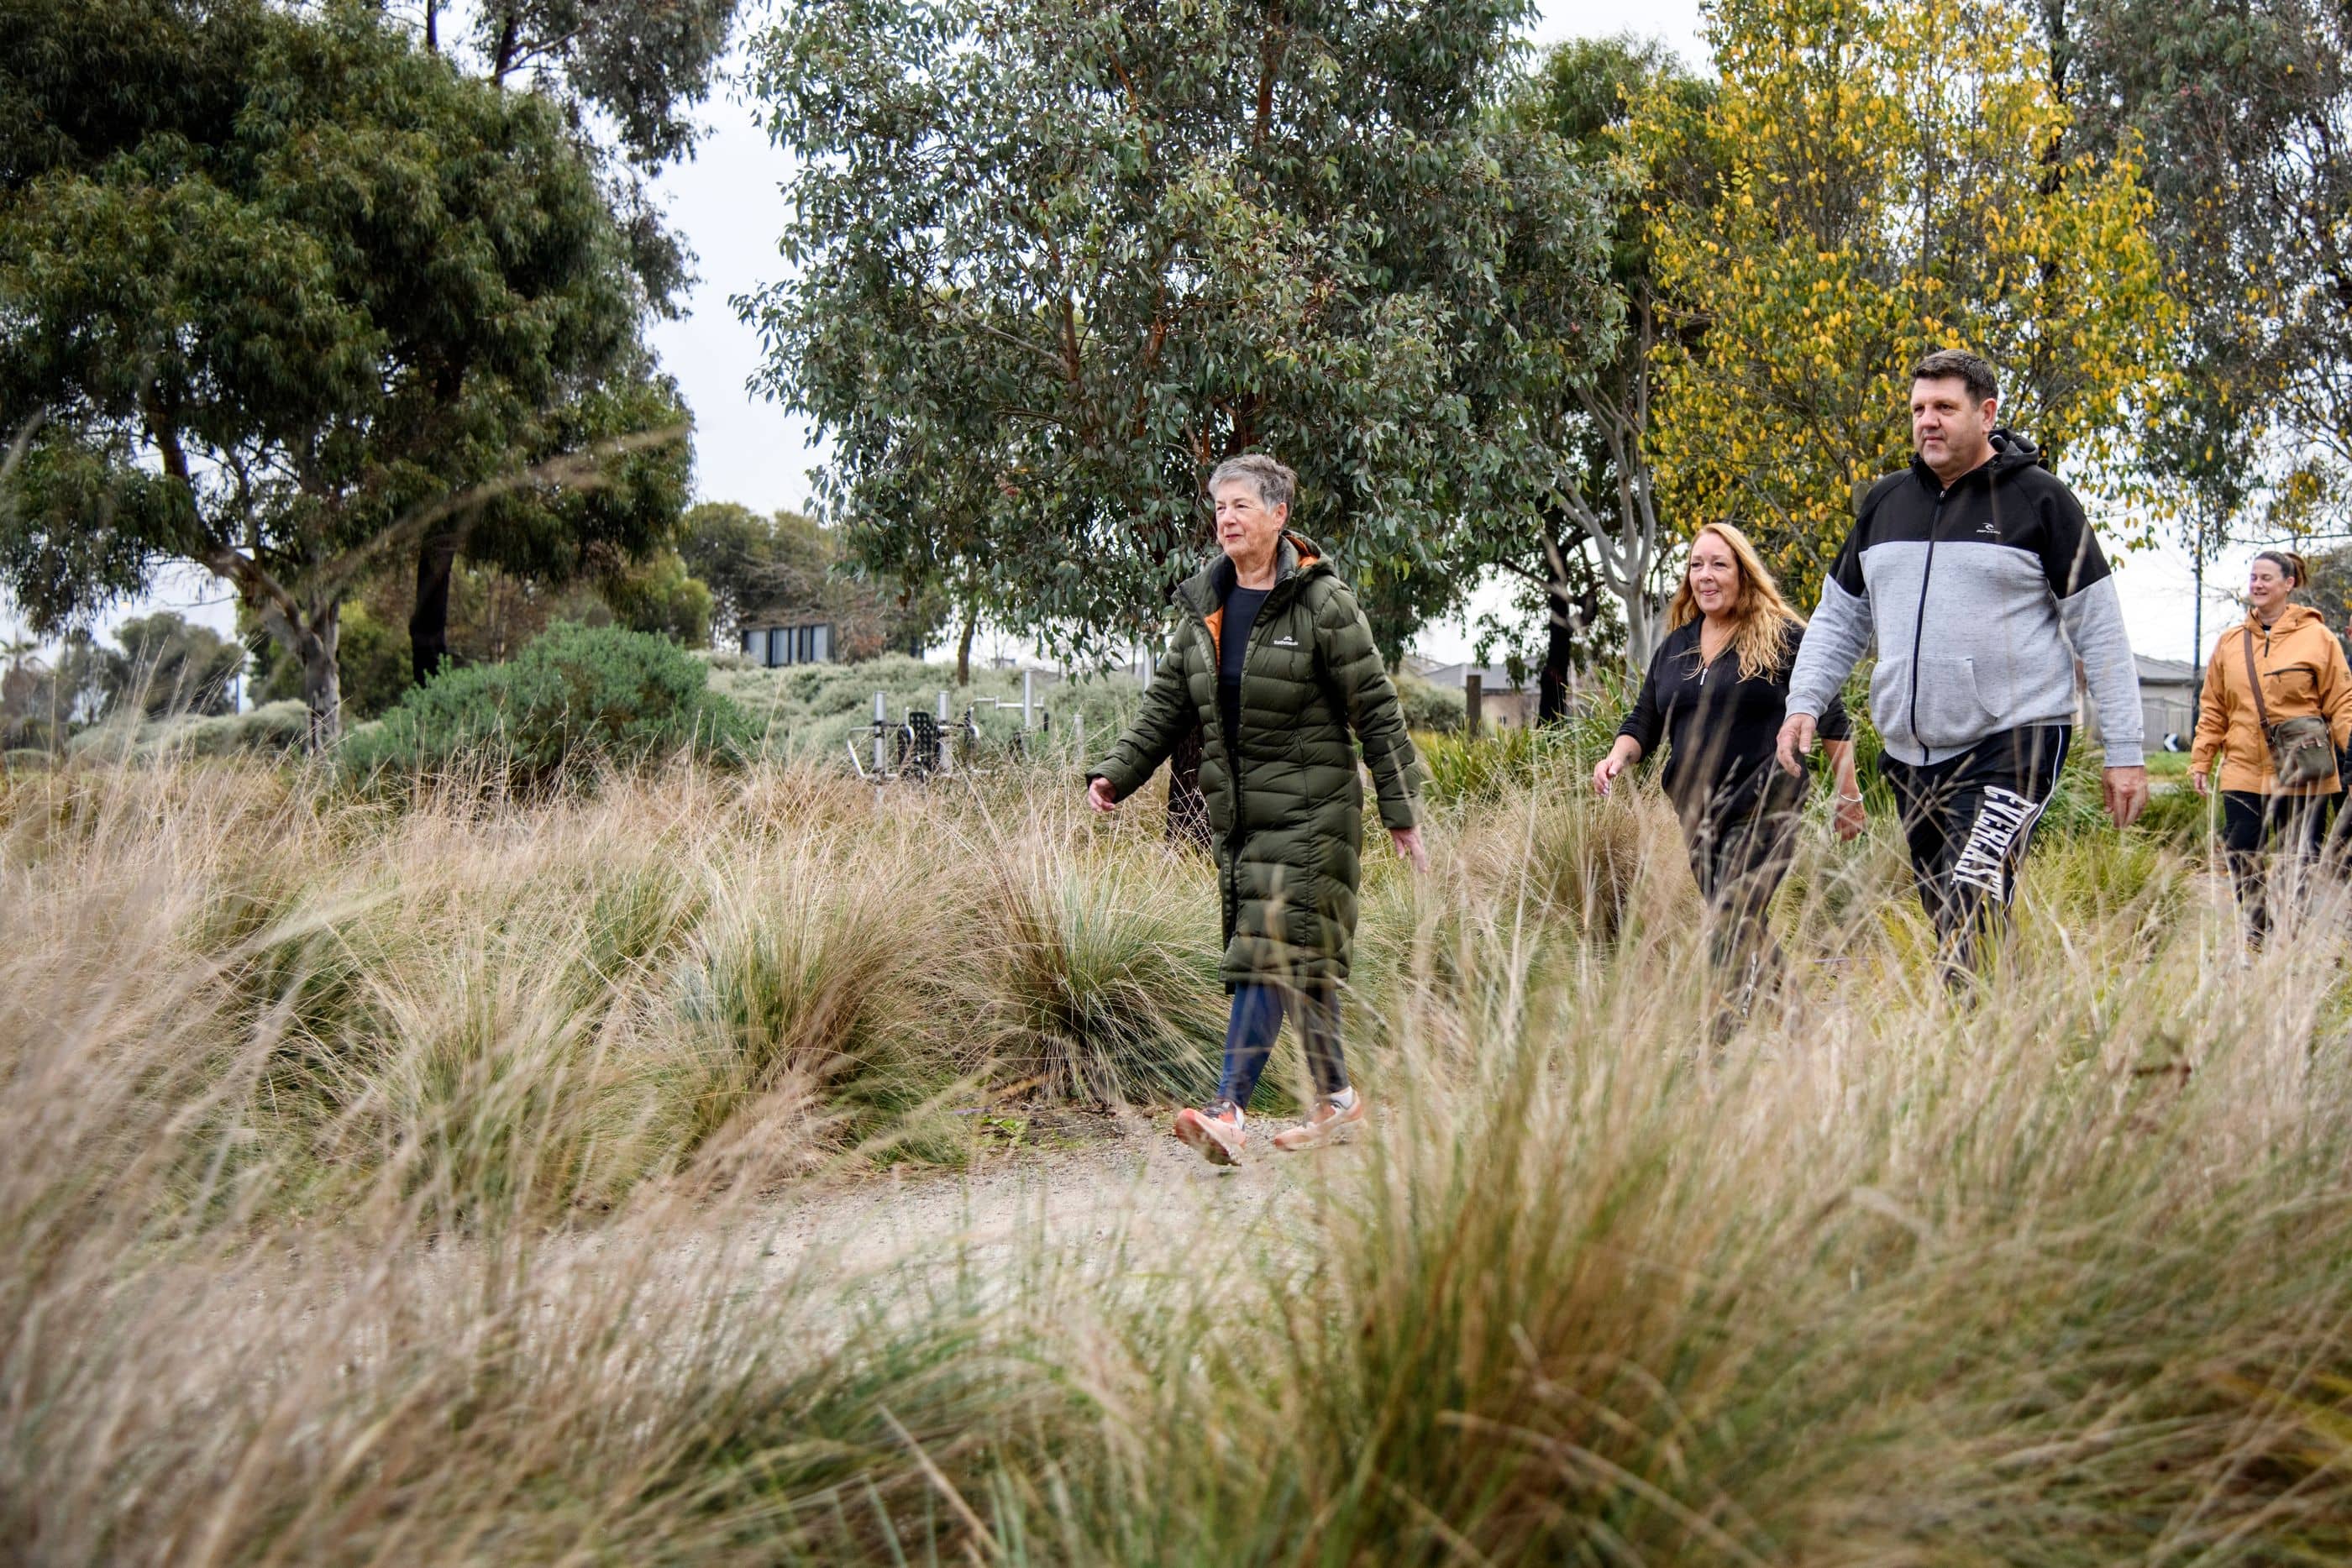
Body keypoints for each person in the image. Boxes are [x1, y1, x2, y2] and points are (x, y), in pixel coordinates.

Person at [1087, 454, 1426, 1166]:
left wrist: (1401, 811)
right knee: (1299, 965)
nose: (1227, 518)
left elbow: (1378, 710)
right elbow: (1165, 707)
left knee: (1265, 953)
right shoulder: (1206, 607)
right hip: (1241, 822)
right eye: (1219, 507)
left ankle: (1228, 1110)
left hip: (1315, 814)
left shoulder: (1321, 604)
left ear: (1279, 515)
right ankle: (1339, 1103)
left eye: (1242, 505)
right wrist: (1117, 774)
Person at [1775, 348, 2148, 986]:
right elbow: (1839, 617)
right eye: (1919, 408)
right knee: (1948, 905)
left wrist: (2126, 749)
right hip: (1913, 751)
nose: (1929, 421)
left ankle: (1973, 1051)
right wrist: (1803, 701)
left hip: (2017, 737)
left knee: (1974, 887)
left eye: (1945, 407)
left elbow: (2101, 631)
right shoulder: (1884, 504)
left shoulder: (2041, 501)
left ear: (1986, 412)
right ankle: (2011, 1016)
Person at [1593, 523, 1866, 1022]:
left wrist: (1848, 794)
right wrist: (1618, 755)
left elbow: (1831, 716)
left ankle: (1717, 1043)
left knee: (1731, 917)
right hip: (1696, 813)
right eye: (1697, 565)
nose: (1706, 575)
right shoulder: (1675, 647)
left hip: (1768, 806)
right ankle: (1799, 1023)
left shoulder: (1784, 637)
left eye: (1719, 564)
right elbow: (1644, 720)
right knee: (1740, 922)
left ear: (1743, 571)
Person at [2189, 549, 2352, 947]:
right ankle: (2260, 929)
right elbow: (2213, 707)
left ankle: (2292, 937)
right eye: (2253, 578)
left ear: (2288, 584)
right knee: (2239, 850)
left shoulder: (2317, 638)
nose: (2257, 585)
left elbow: (2342, 703)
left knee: (2301, 858)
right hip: (2243, 767)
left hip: (2303, 767)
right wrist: (2201, 759)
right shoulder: (2230, 643)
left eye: (2266, 578)